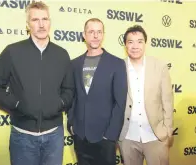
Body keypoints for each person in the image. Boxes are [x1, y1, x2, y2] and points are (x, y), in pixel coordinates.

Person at [0, 1, 74, 165]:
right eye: (35, 20)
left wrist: (59, 103)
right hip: (22, 137)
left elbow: (69, 89)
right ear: (28, 25)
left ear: (50, 22)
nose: (41, 25)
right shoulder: (12, 52)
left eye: (45, 19)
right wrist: (17, 103)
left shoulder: (62, 54)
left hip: (54, 136)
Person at [67, 18, 127, 165]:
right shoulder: (74, 64)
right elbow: (72, 97)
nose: (95, 36)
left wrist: (110, 135)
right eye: (91, 32)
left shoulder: (116, 63)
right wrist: (71, 124)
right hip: (80, 136)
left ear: (103, 35)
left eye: (99, 32)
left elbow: (120, 102)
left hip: (105, 138)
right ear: (84, 35)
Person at [119, 25, 174, 165]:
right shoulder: (118, 67)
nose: (135, 46)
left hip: (156, 137)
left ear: (145, 43)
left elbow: (167, 101)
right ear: (125, 45)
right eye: (131, 42)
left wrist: (167, 131)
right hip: (127, 137)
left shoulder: (159, 66)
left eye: (139, 41)